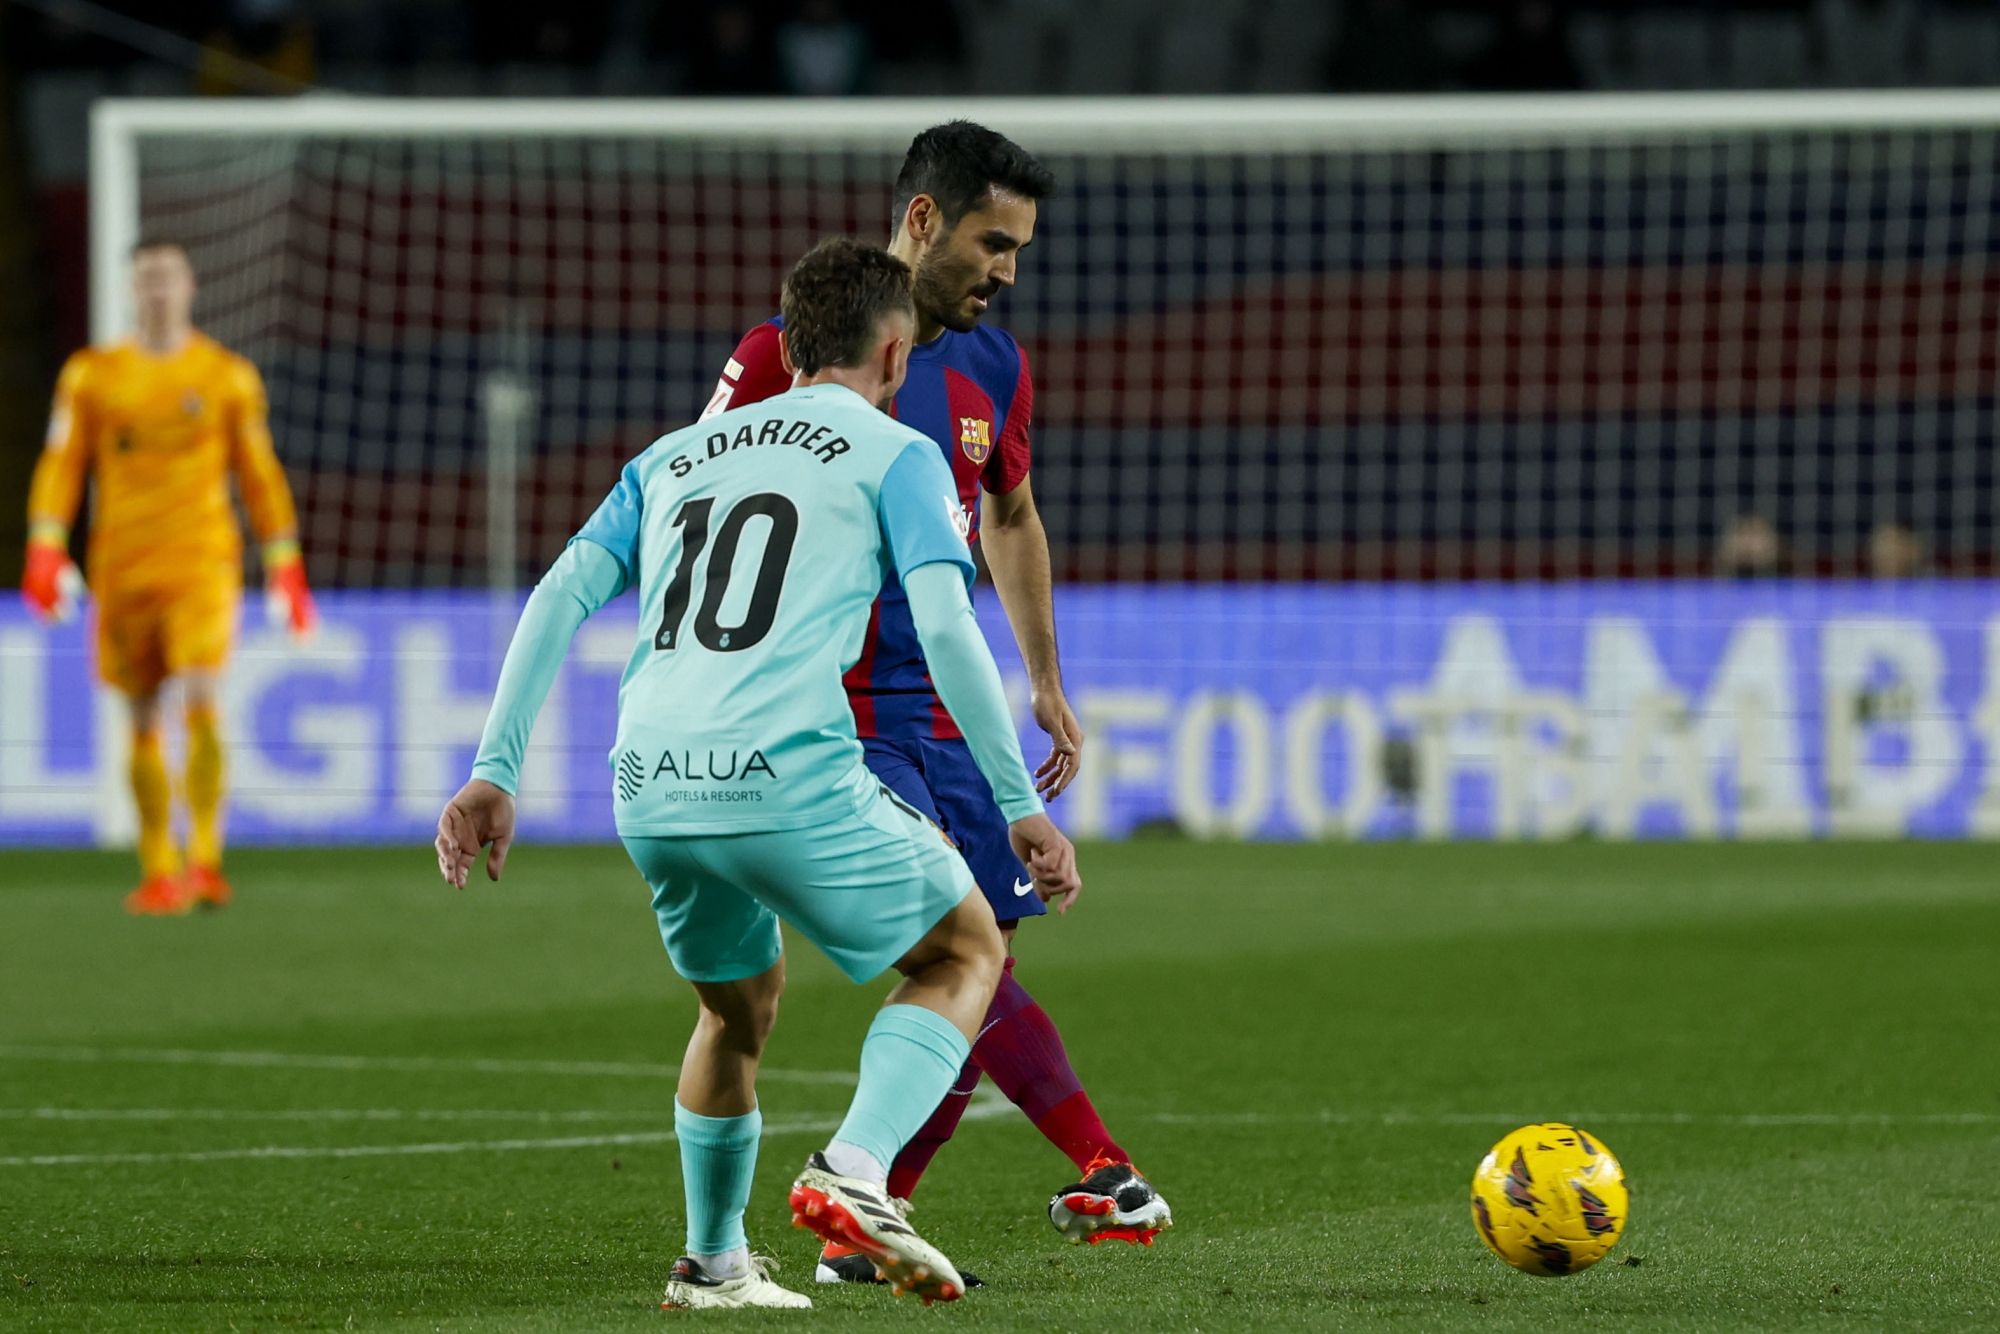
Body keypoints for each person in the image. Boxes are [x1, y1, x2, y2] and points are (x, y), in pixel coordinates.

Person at [433, 238, 1082, 1311]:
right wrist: (1018, 805)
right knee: (966, 949)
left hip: (646, 780)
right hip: (783, 770)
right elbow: (946, 627)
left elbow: (558, 593)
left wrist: (494, 769)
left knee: (735, 1008)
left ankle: (712, 1262)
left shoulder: (673, 455)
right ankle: (856, 1168)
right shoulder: (893, 452)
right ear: (892, 355)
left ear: (784, 348)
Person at [703, 120, 1172, 1281]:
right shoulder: (778, 352)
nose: (1007, 269)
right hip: (837, 711)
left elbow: (1009, 517)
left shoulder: (992, 367)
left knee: (981, 957)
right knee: (963, 947)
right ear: (921, 222)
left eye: (1017, 246)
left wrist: (1045, 680)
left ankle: (869, 1220)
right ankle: (1099, 1164)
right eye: (991, 241)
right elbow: (700, 490)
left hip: (948, 712)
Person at [20, 238, 317, 915]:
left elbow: (259, 474)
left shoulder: (225, 376)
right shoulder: (91, 376)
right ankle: (159, 869)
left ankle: (206, 858)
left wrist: (285, 565)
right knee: (141, 714)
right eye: (146, 278)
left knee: (202, 692)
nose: (158, 289)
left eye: (168, 277)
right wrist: (44, 545)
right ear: (132, 288)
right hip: (122, 568)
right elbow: (61, 465)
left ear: (190, 287)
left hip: (202, 563)